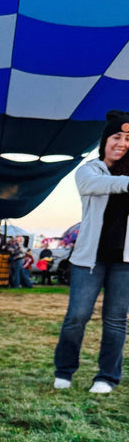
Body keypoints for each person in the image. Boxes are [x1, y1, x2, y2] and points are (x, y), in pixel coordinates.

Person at [53, 110, 129, 394]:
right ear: (105, 140)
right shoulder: (90, 168)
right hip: (88, 258)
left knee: (116, 320)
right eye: (116, 136)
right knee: (77, 316)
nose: (121, 143)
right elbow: (91, 185)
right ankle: (64, 370)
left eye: (128, 138)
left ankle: (107, 377)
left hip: (124, 260)